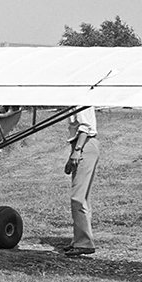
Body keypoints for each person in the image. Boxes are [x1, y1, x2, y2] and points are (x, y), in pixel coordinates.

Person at [62, 107, 100, 256]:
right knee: (83, 198)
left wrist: (77, 151)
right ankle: (79, 240)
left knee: (77, 198)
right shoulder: (76, 101)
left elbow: (85, 127)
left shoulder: (81, 101)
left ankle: (84, 243)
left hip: (84, 144)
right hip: (82, 145)